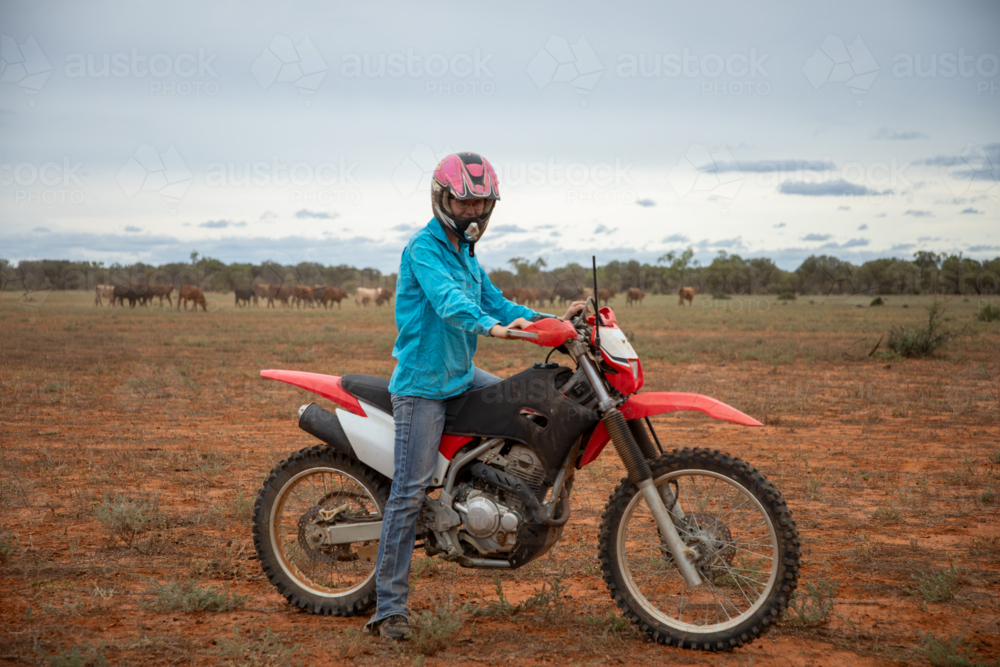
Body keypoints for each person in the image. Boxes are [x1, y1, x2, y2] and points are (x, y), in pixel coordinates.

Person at [366, 151, 585, 641]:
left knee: (530, 402)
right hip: (423, 387)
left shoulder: (466, 253)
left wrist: (556, 322)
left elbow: (497, 301)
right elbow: (452, 304)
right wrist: (494, 328)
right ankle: (388, 610)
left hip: (461, 376)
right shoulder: (424, 249)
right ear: (442, 199)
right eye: (465, 204)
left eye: (482, 204)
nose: (474, 214)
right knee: (408, 491)